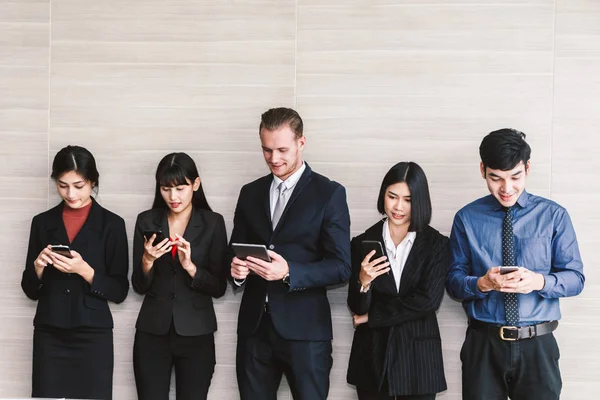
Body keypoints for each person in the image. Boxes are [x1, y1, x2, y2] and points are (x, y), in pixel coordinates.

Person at [446, 128, 585, 400]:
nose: (506, 188)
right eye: (495, 178)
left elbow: (576, 278)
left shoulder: (554, 216)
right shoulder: (466, 218)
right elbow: (452, 282)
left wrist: (538, 281)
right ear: (482, 169)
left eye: (515, 177)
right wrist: (482, 283)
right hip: (483, 344)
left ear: (528, 168)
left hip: (538, 345)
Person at [229, 107, 352, 400]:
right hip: (254, 331)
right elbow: (233, 250)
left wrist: (289, 272)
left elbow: (341, 266)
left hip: (306, 333)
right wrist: (236, 272)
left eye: (282, 149)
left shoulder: (330, 193)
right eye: (266, 150)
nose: (274, 158)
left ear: (301, 142)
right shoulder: (250, 192)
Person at [21, 145, 129, 400]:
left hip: (93, 334)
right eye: (62, 185)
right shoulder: (42, 222)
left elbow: (120, 290)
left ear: (93, 181)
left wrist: (86, 271)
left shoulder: (112, 224)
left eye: (78, 186)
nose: (70, 194)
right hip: (50, 331)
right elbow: (29, 289)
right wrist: (37, 267)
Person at [347, 162, 448, 400]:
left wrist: (372, 317)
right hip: (372, 358)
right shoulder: (362, 242)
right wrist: (363, 283)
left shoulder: (437, 244)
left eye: (408, 199)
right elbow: (357, 307)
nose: (398, 207)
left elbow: (428, 301)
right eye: (392, 196)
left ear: (420, 201)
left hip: (418, 362)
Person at [131, 152, 228, 400]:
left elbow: (219, 286)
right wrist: (147, 261)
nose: (173, 197)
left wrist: (191, 267)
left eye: (181, 188)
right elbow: (139, 286)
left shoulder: (213, 223)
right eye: (165, 189)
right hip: (152, 332)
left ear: (195, 184)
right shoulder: (146, 220)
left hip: (197, 333)